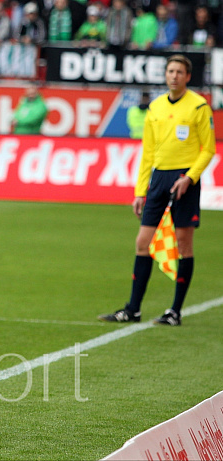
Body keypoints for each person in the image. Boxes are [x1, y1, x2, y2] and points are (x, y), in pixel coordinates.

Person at [98, 55, 215, 326]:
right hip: (158, 180)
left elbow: (208, 149)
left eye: (179, 72)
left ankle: (175, 311)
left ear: (188, 77)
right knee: (143, 242)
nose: (174, 76)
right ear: (165, 75)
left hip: (185, 178)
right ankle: (133, 309)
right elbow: (147, 153)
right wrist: (140, 191)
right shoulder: (156, 107)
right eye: (170, 71)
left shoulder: (198, 106)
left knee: (184, 245)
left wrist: (189, 177)